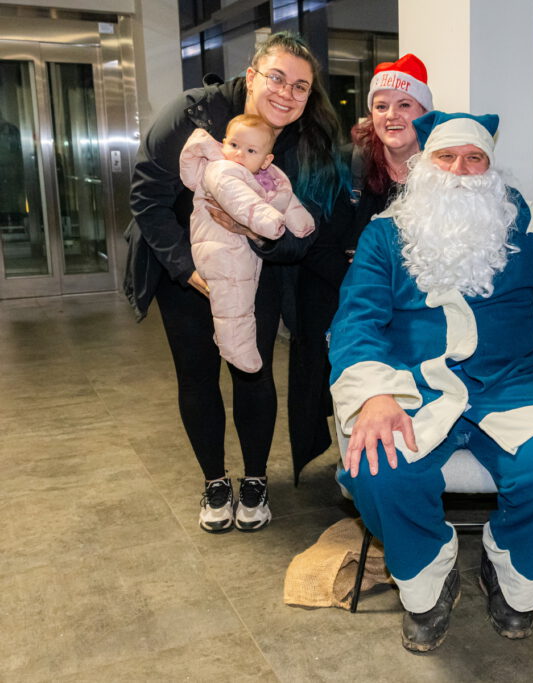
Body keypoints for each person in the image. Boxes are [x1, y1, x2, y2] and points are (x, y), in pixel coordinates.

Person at [327, 111, 533, 652]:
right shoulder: (384, 238)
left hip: (509, 389)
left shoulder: (528, 233)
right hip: (412, 390)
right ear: (425, 165)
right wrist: (373, 392)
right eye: (446, 157)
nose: (460, 171)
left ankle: (507, 563)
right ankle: (428, 579)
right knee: (378, 470)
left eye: (474, 158)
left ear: (490, 169)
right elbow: (355, 321)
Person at [125, 32, 347, 533]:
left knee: (253, 370)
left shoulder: (305, 144)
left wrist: (257, 235)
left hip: (256, 270)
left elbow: (304, 232)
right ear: (251, 76)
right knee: (197, 373)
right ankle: (214, 481)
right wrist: (188, 270)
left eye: (300, 86)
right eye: (277, 78)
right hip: (182, 269)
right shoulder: (191, 115)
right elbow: (146, 202)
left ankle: (254, 480)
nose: (287, 93)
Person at [289, 54, 433, 483]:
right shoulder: (341, 166)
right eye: (381, 105)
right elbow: (313, 240)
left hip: (414, 306)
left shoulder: (444, 169)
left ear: (425, 113)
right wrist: (369, 280)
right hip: (339, 298)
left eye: (405, 105)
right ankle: (362, 459)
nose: (392, 115)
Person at [180, 114, 315, 373]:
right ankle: (234, 347)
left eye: (250, 150)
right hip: (219, 248)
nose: (239, 154)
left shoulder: (269, 176)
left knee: (243, 297)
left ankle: (230, 338)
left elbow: (285, 198)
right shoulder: (220, 169)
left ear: (266, 160)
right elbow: (242, 202)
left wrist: (301, 223)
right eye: (233, 145)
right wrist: (269, 221)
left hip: (242, 248)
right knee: (234, 299)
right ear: (223, 143)